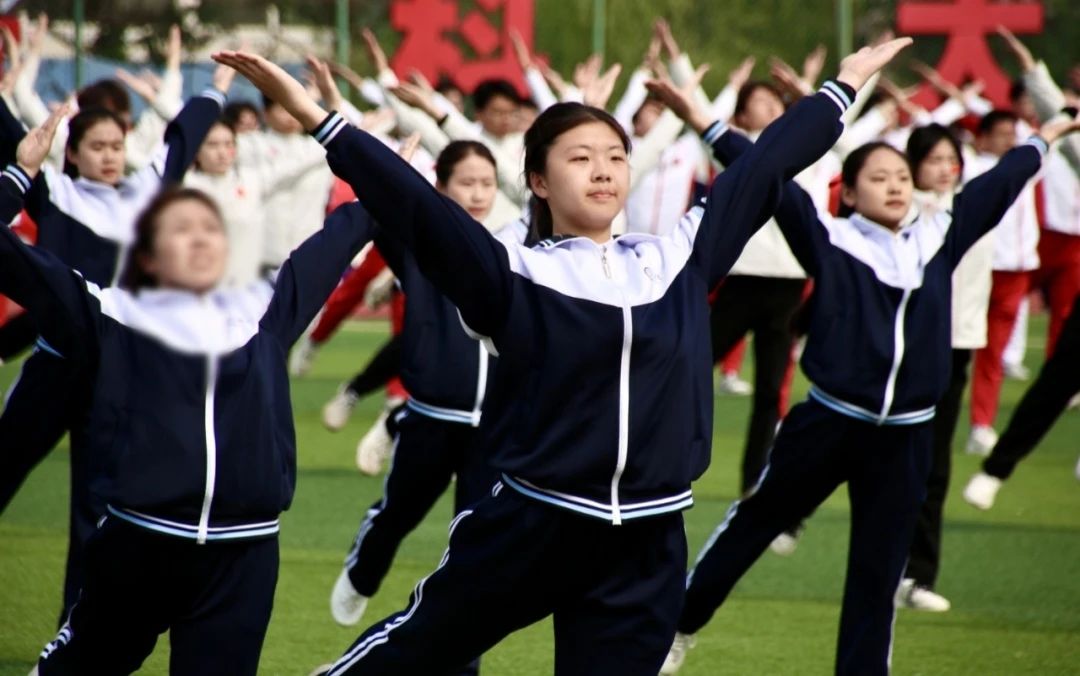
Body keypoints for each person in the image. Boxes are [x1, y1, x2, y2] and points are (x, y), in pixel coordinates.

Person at [214, 36, 909, 675]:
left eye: (615, 156)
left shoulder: (677, 259)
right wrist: (318, 118)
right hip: (534, 525)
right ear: (539, 182)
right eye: (580, 158)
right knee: (410, 657)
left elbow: (763, 166)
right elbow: (418, 207)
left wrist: (842, 86)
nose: (603, 170)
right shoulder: (512, 273)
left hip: (649, 540)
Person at [661, 91, 1078, 675]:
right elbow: (765, 176)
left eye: (902, 177)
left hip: (906, 436)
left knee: (878, 575)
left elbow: (1002, 182)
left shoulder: (940, 236)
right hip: (828, 420)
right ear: (851, 193)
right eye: (878, 178)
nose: (895, 186)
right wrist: (705, 123)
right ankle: (679, 625)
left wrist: (1047, 135)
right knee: (753, 525)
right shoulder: (831, 239)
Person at [0, 106, 379, 676]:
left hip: (245, 558)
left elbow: (346, 230)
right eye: (180, 229)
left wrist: (371, 164)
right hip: (139, 544)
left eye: (210, 229)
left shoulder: (264, 313)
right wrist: (17, 177)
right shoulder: (108, 313)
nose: (200, 238)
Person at [0, 70, 231, 618]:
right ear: (72, 153)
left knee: (95, 508)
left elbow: (183, 139)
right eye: (97, 147)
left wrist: (217, 88)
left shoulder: (144, 193)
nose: (109, 156)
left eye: (116, 146)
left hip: (115, 378)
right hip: (55, 366)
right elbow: (11, 137)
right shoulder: (55, 192)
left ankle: (73, 634)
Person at [896, 123, 990, 613]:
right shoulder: (898, 210)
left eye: (950, 159)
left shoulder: (972, 208)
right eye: (933, 159)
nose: (944, 169)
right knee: (883, 459)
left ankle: (918, 575)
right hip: (904, 347)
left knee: (935, 464)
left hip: (954, 347)